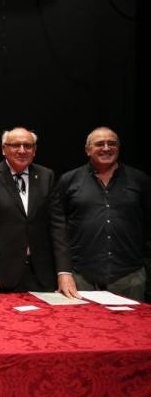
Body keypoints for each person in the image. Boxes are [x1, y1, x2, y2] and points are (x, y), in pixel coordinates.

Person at [0, 127, 77, 299]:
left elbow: (58, 226)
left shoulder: (46, 176)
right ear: (4, 149)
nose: (22, 150)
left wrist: (64, 271)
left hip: (42, 274)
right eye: (15, 145)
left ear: (34, 150)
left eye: (27, 145)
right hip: (1, 275)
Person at [59, 127, 151, 302]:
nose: (107, 148)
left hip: (129, 276)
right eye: (100, 144)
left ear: (119, 148)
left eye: (112, 143)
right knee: (80, 320)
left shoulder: (140, 180)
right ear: (88, 150)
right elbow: (59, 227)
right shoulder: (69, 180)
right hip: (80, 276)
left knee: (132, 321)